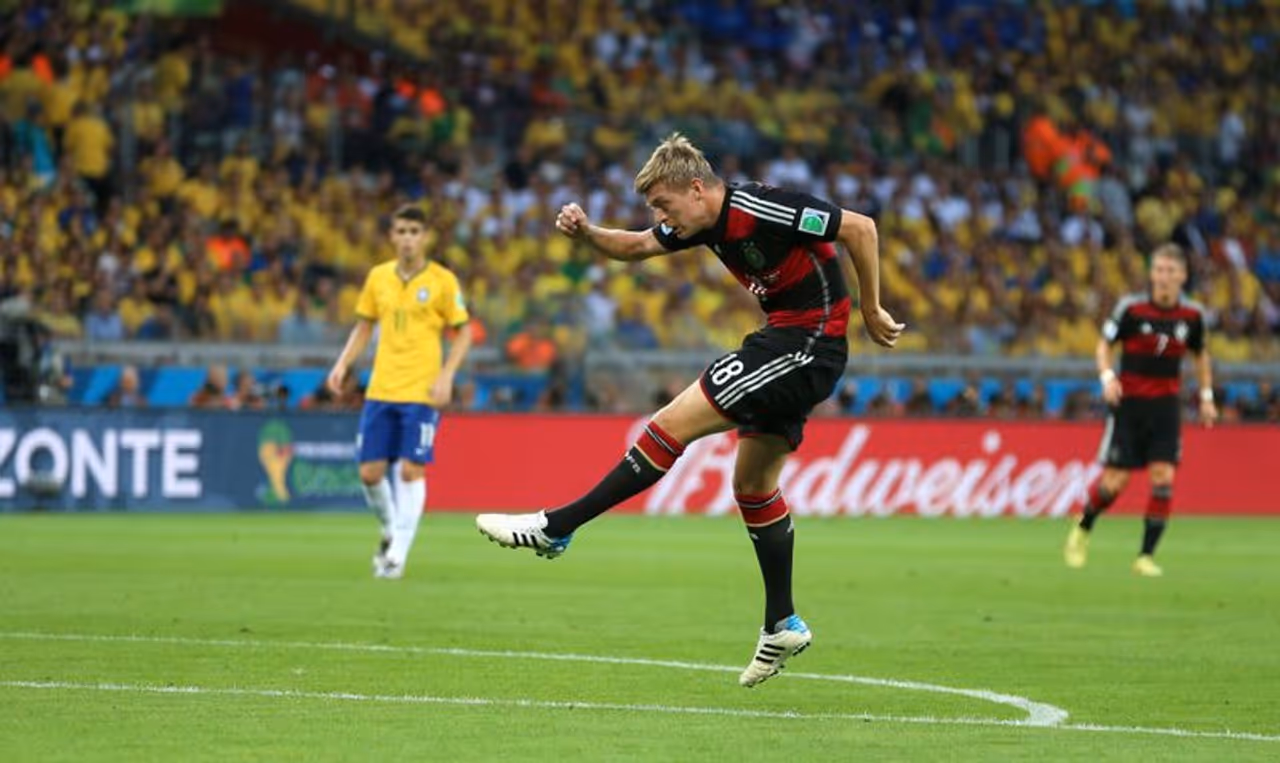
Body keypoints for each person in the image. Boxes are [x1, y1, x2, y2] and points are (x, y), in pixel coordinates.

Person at [476, 134, 903, 687]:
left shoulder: (760, 207)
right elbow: (635, 247)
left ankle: (558, 526)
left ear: (697, 189)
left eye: (663, 204)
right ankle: (781, 623)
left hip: (807, 344)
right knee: (752, 488)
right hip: (788, 343)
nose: (660, 217)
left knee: (669, 425)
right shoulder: (700, 223)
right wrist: (587, 233)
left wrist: (871, 308)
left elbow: (860, 228)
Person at [328, 205, 472, 579]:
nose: (408, 238)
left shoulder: (442, 280)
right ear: (392, 236)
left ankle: (398, 555)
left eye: (414, 231)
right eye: (402, 231)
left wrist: (446, 376)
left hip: (422, 391)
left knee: (410, 470)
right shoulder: (378, 278)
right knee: (369, 473)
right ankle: (391, 530)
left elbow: (464, 332)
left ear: (425, 237)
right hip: (381, 388)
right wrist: (342, 364)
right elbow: (364, 326)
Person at [1064, 244, 1216, 577]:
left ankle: (1145, 556)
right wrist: (1107, 377)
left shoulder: (1193, 315)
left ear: (1183, 276)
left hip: (1166, 408)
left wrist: (1206, 396)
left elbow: (1201, 355)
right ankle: (1083, 526)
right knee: (1114, 483)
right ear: (1151, 273)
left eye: (1170, 271)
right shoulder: (1131, 308)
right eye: (1158, 270)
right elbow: (1104, 344)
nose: (1163, 277)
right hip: (1129, 406)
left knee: (1163, 477)